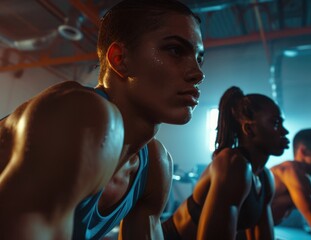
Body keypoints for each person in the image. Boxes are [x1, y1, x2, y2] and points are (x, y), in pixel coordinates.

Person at [0, 0, 205, 239]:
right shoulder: (82, 115)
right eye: (175, 50)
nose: (198, 74)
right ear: (120, 59)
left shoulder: (156, 167)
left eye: (199, 59)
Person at [162, 86, 290, 240]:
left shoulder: (265, 177)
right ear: (249, 129)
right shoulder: (233, 163)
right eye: (275, 123)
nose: (285, 132)